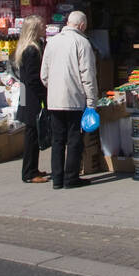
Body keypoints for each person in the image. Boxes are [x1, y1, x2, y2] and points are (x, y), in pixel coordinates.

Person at [39, 10, 99, 190]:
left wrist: (53, 88)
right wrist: (91, 102)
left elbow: (44, 74)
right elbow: (88, 75)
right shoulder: (82, 43)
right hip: (74, 99)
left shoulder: (53, 41)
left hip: (55, 100)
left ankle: (57, 179)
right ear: (81, 26)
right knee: (74, 139)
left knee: (57, 140)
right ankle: (71, 177)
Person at [13, 16, 48, 184]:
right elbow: (34, 78)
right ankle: (29, 172)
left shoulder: (25, 47)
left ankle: (32, 167)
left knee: (32, 133)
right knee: (32, 134)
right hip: (32, 97)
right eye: (42, 25)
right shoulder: (32, 50)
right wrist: (44, 96)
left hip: (26, 94)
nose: (45, 27)